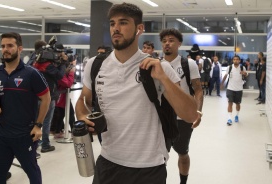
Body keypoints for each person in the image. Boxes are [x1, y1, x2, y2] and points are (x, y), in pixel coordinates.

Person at [75, 3, 198, 184]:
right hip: (108, 161)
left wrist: (163, 78)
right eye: (112, 23)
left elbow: (190, 114)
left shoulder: (160, 67)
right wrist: (83, 117)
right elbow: (83, 101)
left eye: (123, 22)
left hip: (148, 166)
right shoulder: (95, 65)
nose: (116, 28)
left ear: (139, 28)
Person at [0, 32, 50, 183]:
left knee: (32, 172)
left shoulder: (31, 73)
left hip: (25, 136)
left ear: (20, 48)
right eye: (3, 46)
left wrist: (38, 125)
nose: (5, 49)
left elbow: (46, 98)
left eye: (10, 46)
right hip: (1, 135)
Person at [159, 28, 203, 184]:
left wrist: (197, 111)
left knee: (183, 153)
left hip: (182, 118)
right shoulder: (156, 64)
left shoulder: (188, 64)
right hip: (161, 118)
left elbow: (198, 89)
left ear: (179, 43)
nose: (167, 44)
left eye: (171, 40)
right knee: (158, 157)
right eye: (164, 41)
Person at [33, 41, 66, 153]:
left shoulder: (35, 62)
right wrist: (63, 63)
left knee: (34, 121)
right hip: (48, 97)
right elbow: (60, 75)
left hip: (34, 96)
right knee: (46, 121)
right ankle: (45, 145)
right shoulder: (48, 66)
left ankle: (32, 145)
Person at [51, 55, 76, 138]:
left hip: (62, 96)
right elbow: (68, 83)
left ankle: (58, 131)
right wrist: (72, 72)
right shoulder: (58, 72)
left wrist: (68, 72)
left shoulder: (57, 70)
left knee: (61, 114)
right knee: (68, 114)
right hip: (60, 96)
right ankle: (73, 131)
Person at [221, 55, 248, 125]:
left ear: (239, 60)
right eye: (234, 59)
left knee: (238, 104)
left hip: (239, 89)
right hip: (230, 88)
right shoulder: (229, 67)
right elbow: (225, 75)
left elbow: (246, 74)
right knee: (230, 103)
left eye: (237, 59)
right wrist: (222, 83)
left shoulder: (242, 67)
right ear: (233, 60)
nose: (235, 60)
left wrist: (244, 73)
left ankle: (237, 115)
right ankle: (229, 118)